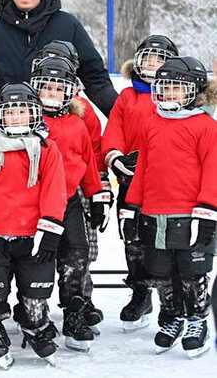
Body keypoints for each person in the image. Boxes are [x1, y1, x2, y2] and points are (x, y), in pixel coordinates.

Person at [121, 56, 216, 359]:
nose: (169, 94)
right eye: (165, 87)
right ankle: (173, 314)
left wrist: (208, 211)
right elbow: (144, 169)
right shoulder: (153, 122)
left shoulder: (206, 127)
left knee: (191, 271)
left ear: (195, 91)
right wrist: (132, 208)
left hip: (190, 216)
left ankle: (197, 320)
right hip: (155, 214)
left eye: (177, 88)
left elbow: (214, 171)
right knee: (160, 272)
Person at [0, 82, 67, 369]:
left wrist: (49, 227)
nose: (17, 118)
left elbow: (54, 189)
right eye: (11, 113)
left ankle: (34, 325)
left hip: (32, 237)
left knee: (35, 295)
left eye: (23, 112)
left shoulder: (47, 148)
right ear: (0, 115)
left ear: (34, 114)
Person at [30, 57, 111, 352]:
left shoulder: (76, 124)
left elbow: (87, 164)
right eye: (45, 88)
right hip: (33, 205)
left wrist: (97, 195)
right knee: (36, 260)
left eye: (58, 88)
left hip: (68, 202)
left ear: (70, 92)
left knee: (76, 256)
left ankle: (73, 314)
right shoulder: (25, 122)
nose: (51, 94)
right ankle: (35, 315)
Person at [102, 35, 177, 333]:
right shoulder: (128, 98)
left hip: (169, 186)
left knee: (166, 240)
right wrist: (115, 156)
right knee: (132, 238)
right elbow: (114, 130)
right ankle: (141, 291)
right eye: (147, 59)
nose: (152, 65)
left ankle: (172, 298)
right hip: (132, 183)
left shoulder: (176, 98)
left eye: (160, 60)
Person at [0, 0, 117, 116]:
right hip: (12, 122)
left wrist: (120, 116)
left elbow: (95, 77)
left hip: (59, 120)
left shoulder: (67, 25)